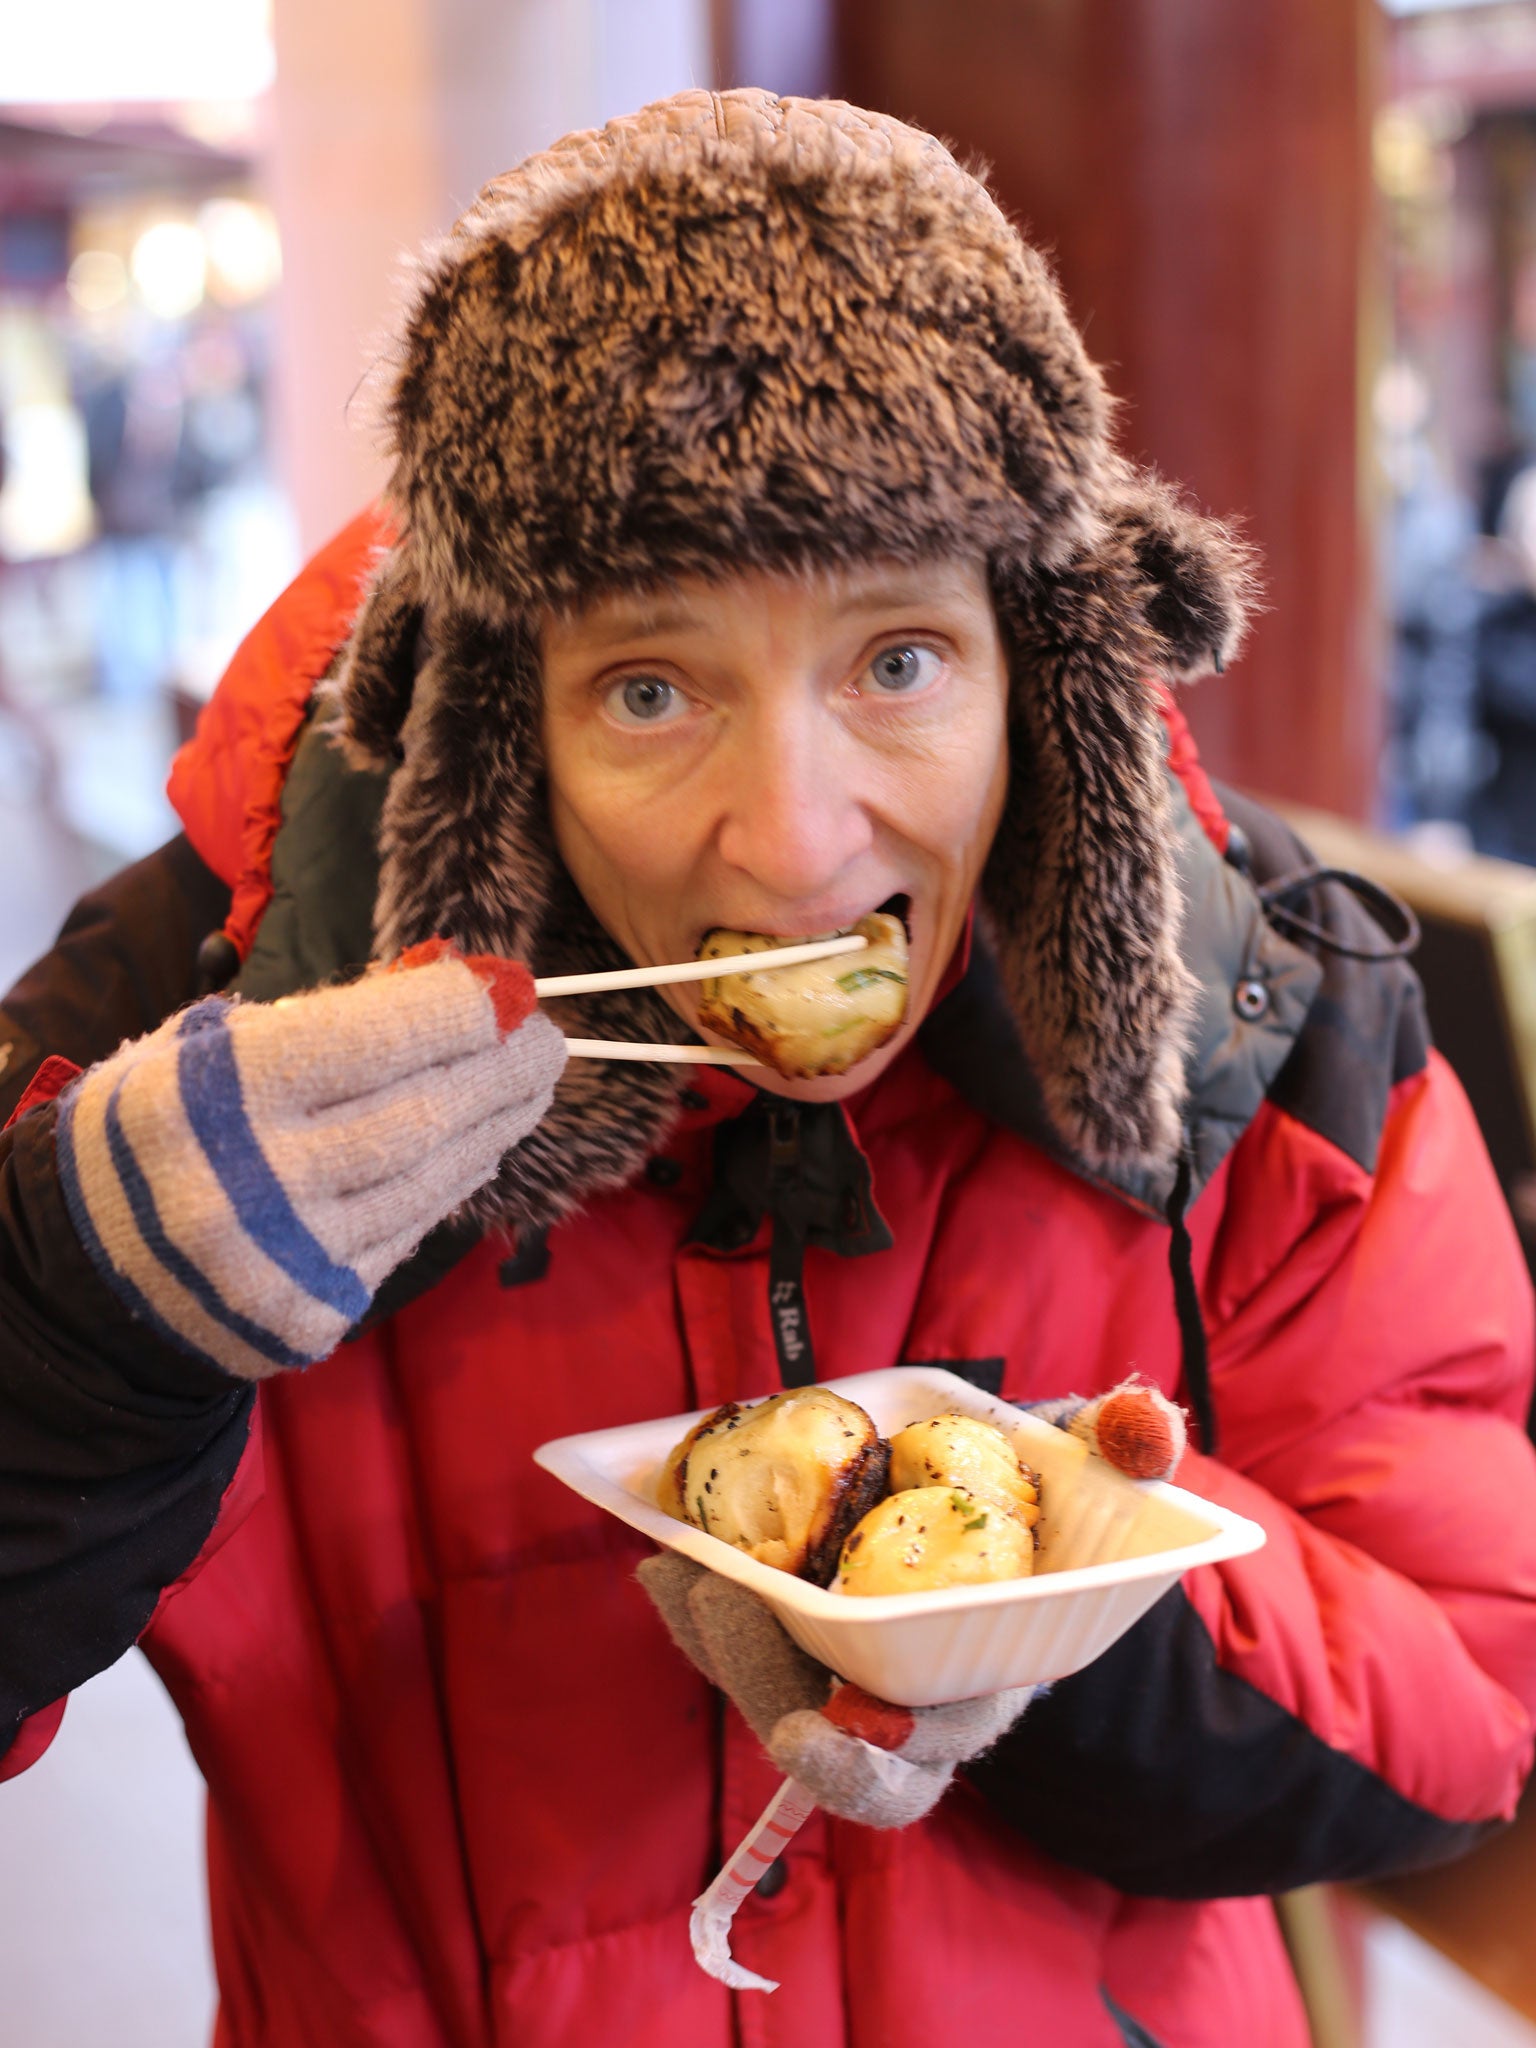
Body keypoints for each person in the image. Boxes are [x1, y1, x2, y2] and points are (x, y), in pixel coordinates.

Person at [2, 89, 1534, 2048]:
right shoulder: (210, 1015)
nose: (797, 845)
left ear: (1042, 659)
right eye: (651, 688)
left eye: (899, 660)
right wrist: (73, 1333)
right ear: (495, 723)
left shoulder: (1265, 1017)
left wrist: (1055, 1616)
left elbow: (1472, 1698)